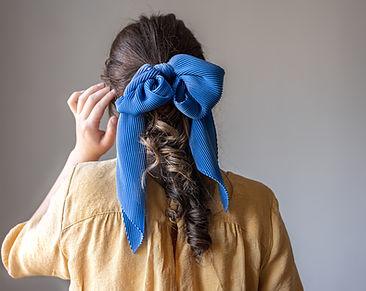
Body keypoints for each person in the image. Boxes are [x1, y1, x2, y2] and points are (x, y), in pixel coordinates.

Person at [1, 13, 303, 291]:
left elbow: (16, 254)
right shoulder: (258, 206)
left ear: (112, 100)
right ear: (198, 97)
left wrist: (79, 156)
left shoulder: (81, 196)